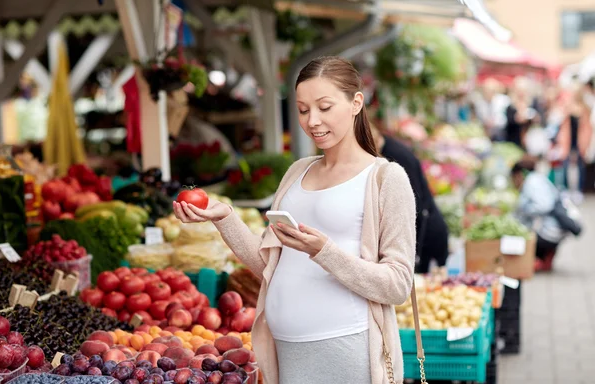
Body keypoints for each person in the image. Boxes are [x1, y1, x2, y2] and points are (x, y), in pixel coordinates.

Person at [173, 56, 416, 384]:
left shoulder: (386, 178)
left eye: (324, 107)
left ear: (356, 103)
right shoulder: (296, 172)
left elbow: (398, 284)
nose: (312, 120)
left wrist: (324, 252)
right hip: (285, 349)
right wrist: (225, 218)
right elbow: (269, 265)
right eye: (303, 110)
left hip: (345, 349)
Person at [370, 123, 449, 273]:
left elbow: (413, 202)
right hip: (424, 229)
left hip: (426, 235)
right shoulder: (389, 147)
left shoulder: (395, 157)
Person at [511, 160, 565, 272]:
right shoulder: (538, 178)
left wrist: (524, 210)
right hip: (557, 228)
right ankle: (545, 257)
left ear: (518, 175)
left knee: (521, 235)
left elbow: (544, 205)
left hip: (550, 231)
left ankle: (539, 259)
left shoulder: (531, 182)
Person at [555, 83, 593, 200]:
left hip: (580, 140)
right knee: (565, 164)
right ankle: (566, 188)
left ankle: (579, 190)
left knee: (580, 166)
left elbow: (587, 127)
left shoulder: (585, 108)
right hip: (568, 140)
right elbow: (562, 123)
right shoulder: (568, 106)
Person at [505, 77, 540, 148]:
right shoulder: (510, 106)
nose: (521, 93)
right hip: (514, 141)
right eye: (519, 90)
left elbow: (540, 118)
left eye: (523, 90)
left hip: (531, 141)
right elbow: (509, 122)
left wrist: (532, 118)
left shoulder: (533, 103)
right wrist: (517, 119)